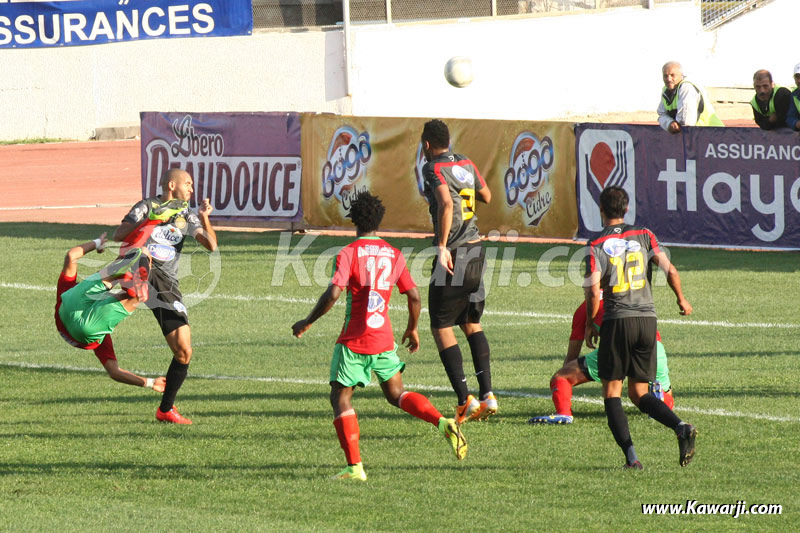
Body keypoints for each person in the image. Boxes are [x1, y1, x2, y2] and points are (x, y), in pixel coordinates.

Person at [291, 191, 467, 481]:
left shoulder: (348, 253)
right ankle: (442, 422)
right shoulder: (393, 254)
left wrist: (307, 321)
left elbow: (333, 294)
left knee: (340, 397)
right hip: (384, 340)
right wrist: (412, 328)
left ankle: (355, 467)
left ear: (353, 220)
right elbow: (414, 296)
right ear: (378, 220)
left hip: (354, 341)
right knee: (397, 394)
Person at [584, 185, 696, 469]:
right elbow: (670, 269)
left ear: (601, 209)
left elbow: (593, 289)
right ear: (626, 209)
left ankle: (632, 459)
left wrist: (591, 323)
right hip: (647, 322)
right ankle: (681, 427)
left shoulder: (596, 244)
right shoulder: (645, 234)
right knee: (639, 393)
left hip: (617, 320)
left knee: (612, 392)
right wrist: (681, 298)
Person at [113, 168, 218, 425]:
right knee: (140, 264)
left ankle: (165, 410)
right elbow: (119, 235)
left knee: (184, 350)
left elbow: (211, 245)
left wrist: (204, 217)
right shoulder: (147, 206)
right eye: (188, 183)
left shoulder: (186, 215)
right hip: (146, 269)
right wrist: (150, 220)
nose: (191, 189)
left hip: (167, 283)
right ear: (172, 185)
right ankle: (123, 286)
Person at [419, 119, 497, 424]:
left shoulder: (432, 168)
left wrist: (441, 246)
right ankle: (488, 394)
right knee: (470, 321)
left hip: (455, 251)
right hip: (476, 249)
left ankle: (465, 400)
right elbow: (487, 196)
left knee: (440, 325)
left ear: (426, 144)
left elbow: (445, 205)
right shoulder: (465, 161)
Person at [528, 298, 674, 425]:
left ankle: (564, 413)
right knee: (640, 395)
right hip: (653, 347)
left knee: (562, 377)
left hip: (617, 348)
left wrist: (562, 386)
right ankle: (661, 400)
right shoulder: (631, 297)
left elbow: (572, 356)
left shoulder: (586, 307)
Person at [55, 232, 166, 392]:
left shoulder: (100, 337)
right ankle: (122, 275)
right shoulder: (101, 339)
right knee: (113, 278)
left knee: (132, 294)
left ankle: (132, 283)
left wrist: (150, 383)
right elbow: (71, 255)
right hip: (80, 322)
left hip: (71, 313)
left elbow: (114, 372)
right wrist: (97, 243)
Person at [657, 61, 724, 134]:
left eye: (673, 75)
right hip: (696, 134)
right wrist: (669, 123)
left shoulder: (686, 88)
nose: (669, 79)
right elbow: (661, 114)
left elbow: (686, 121)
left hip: (713, 132)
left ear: (681, 75)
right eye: (665, 76)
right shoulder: (665, 90)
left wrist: (674, 126)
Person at [785, 63, 800, 131]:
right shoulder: (794, 95)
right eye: (797, 77)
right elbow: (790, 117)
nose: (799, 81)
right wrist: (796, 123)